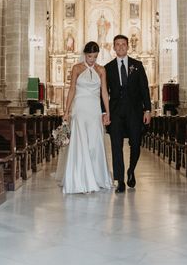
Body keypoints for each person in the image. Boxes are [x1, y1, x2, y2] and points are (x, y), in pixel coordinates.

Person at [59, 41, 113, 194]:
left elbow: (104, 93)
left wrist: (107, 112)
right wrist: (66, 111)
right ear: (84, 54)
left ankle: (96, 177)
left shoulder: (101, 70)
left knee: (94, 143)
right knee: (81, 142)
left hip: (94, 110)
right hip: (80, 109)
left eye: (95, 57)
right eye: (90, 56)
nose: (92, 60)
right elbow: (71, 91)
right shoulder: (76, 68)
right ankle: (80, 179)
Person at [105, 34, 152, 193]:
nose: (120, 47)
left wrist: (148, 110)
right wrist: (105, 112)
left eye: (123, 44)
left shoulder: (137, 65)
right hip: (116, 112)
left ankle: (131, 170)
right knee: (116, 145)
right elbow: (103, 93)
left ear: (127, 46)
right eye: (117, 45)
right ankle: (120, 181)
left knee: (136, 143)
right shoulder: (108, 67)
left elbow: (144, 89)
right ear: (114, 47)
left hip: (135, 111)